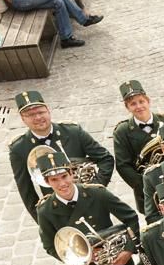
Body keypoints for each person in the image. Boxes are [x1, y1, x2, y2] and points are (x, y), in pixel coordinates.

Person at [8, 90, 113, 222]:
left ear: (48, 110)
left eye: (41, 112)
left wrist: (95, 188)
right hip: (60, 213)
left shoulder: (73, 132)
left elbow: (106, 159)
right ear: (23, 119)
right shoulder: (19, 149)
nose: (38, 117)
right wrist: (45, 222)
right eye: (30, 115)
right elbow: (26, 192)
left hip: (92, 204)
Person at [112, 80, 164, 216]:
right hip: (147, 192)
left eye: (141, 101)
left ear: (148, 101)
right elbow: (123, 166)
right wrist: (147, 185)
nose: (139, 106)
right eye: (133, 104)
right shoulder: (122, 131)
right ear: (127, 107)